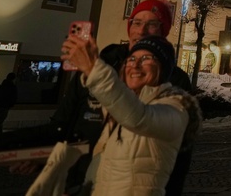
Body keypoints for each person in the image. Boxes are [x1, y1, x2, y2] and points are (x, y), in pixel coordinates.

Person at [0, 0, 195, 195]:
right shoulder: (101, 66)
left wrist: (94, 70)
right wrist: (39, 155)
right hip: (77, 184)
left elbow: (146, 124)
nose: (141, 31)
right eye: (136, 22)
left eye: (152, 24)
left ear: (164, 31)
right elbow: (64, 123)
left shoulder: (174, 81)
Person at [31, 34, 200, 196]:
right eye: (132, 59)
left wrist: (93, 68)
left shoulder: (175, 109)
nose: (135, 65)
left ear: (163, 69)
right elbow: (101, 171)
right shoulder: (118, 111)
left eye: (147, 58)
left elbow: (140, 118)